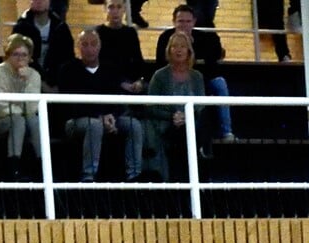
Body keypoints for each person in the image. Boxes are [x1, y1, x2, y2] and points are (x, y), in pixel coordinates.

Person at [57, 28, 145, 183]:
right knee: (95, 125)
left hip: (109, 118)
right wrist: (100, 116)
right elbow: (70, 105)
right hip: (76, 121)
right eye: (85, 44)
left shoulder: (110, 69)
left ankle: (134, 174)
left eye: (93, 44)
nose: (90, 49)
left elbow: (118, 99)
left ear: (100, 46)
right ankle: (88, 177)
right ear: (78, 47)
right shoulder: (68, 69)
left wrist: (113, 117)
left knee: (134, 125)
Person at [155, 5, 234, 142]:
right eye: (180, 21)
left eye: (188, 21)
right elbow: (160, 63)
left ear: (194, 22)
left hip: (200, 79)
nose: (184, 25)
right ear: (174, 22)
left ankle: (226, 132)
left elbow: (213, 62)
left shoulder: (206, 38)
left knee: (220, 83)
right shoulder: (165, 38)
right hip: (173, 80)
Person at [143, 29, 207, 180]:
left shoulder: (197, 76)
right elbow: (150, 107)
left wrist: (185, 116)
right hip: (165, 123)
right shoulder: (160, 76)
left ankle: (194, 178)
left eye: (183, 46)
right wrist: (172, 116)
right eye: (174, 46)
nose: (178, 50)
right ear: (169, 50)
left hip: (190, 123)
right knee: (181, 135)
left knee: (191, 130)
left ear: (189, 51)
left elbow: (201, 104)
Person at [0, 33, 43, 177]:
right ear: (8, 55)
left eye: (24, 55)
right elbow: (0, 108)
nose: (20, 59)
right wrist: (20, 109)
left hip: (23, 120)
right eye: (16, 54)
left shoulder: (34, 75)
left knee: (35, 120)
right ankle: (13, 168)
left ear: (30, 57)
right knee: (18, 120)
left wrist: (24, 81)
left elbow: (32, 108)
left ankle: (42, 166)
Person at [12, 0, 74, 87]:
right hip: (26, 83)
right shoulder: (21, 28)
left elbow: (68, 60)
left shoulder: (61, 29)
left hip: (55, 87)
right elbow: (15, 59)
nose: (39, 1)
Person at [97, 0, 149, 88]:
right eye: (111, 7)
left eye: (119, 7)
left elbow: (138, 60)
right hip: (107, 82)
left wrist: (140, 80)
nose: (115, 11)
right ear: (105, 8)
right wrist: (120, 83)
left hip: (130, 80)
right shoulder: (98, 32)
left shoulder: (131, 32)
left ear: (124, 9)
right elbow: (99, 66)